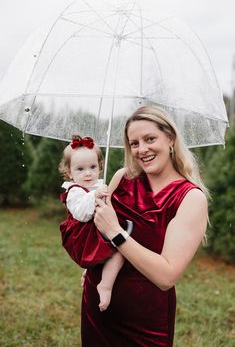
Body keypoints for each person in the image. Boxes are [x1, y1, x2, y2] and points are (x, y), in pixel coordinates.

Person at [79, 106, 208, 347]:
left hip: (145, 317)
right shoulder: (122, 178)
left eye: (150, 139)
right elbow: (101, 235)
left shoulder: (190, 198)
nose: (142, 149)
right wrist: (93, 256)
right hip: (98, 303)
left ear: (170, 138)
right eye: (134, 143)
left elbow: (166, 276)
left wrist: (116, 233)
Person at [59, 135, 125, 311]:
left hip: (97, 231)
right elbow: (81, 213)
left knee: (120, 250)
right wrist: (94, 196)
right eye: (80, 169)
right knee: (118, 251)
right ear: (69, 172)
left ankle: (94, 271)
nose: (88, 173)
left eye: (93, 167)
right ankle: (106, 285)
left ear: (100, 166)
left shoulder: (97, 186)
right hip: (83, 235)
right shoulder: (74, 191)